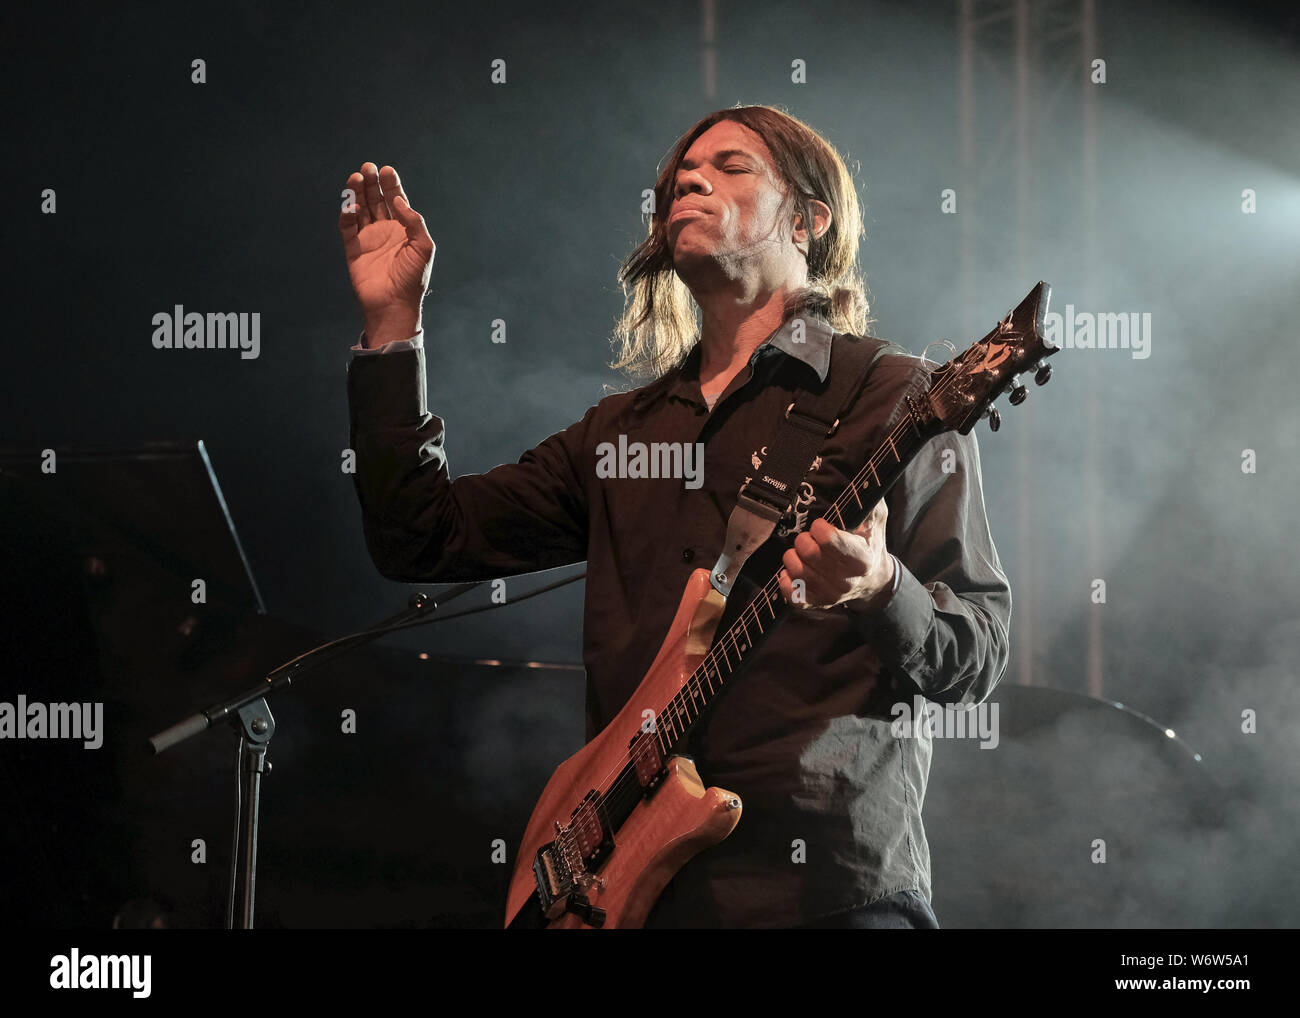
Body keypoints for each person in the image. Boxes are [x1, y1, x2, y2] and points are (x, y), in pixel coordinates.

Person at [339, 105, 1011, 929]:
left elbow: (974, 654)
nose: (689, 179)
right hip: (623, 890)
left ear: (807, 219)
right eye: (678, 178)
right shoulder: (621, 431)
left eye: (732, 166)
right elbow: (419, 534)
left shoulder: (895, 398)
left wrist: (879, 586)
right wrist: (391, 327)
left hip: (817, 895)